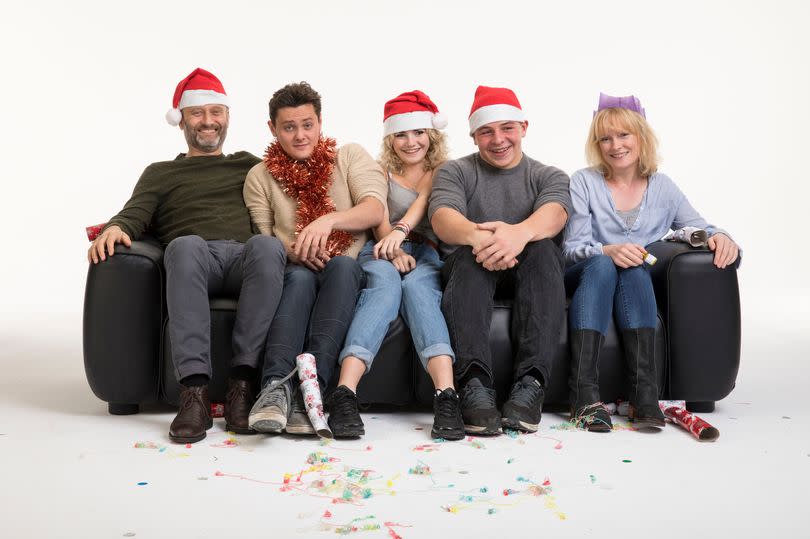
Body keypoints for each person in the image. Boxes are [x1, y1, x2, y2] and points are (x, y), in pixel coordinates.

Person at [87, 68, 287, 443]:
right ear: (181, 120)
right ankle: (193, 394)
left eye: (216, 112)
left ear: (227, 117)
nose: (208, 122)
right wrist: (116, 228)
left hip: (247, 259)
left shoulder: (251, 165)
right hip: (196, 261)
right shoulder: (160, 173)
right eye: (198, 113)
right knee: (185, 244)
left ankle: (242, 387)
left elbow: (297, 187)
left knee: (268, 245)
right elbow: (134, 213)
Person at [563, 93, 740, 432]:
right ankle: (583, 394)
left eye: (624, 135)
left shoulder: (663, 187)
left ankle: (644, 393)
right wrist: (608, 251)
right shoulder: (584, 181)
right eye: (605, 138)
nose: (616, 145)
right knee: (607, 265)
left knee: (635, 265)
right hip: (586, 274)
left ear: (641, 137)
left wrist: (721, 237)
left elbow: (703, 226)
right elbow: (571, 249)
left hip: (634, 283)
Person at [243, 82, 387, 435]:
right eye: (289, 127)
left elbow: (373, 208)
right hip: (296, 269)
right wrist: (297, 251)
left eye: (307, 125)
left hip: (346, 267)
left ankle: (314, 390)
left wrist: (329, 220)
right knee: (300, 277)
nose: (300, 135)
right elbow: (263, 238)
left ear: (320, 122)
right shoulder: (259, 176)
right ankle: (275, 387)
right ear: (273, 129)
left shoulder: (349, 155)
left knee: (342, 265)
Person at [429, 86, 571, 435]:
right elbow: (443, 217)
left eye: (507, 128)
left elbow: (555, 214)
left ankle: (531, 384)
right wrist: (482, 240)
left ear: (524, 128)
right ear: (474, 136)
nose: (498, 139)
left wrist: (518, 234)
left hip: (533, 267)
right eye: (486, 131)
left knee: (543, 248)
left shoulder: (549, 175)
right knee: (467, 256)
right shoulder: (455, 171)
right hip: (471, 267)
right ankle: (474, 385)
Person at [329, 90, 464, 440]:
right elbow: (378, 216)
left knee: (419, 289)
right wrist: (392, 245)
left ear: (431, 134)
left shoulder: (443, 170)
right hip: (381, 248)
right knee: (384, 287)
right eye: (401, 134)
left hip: (427, 251)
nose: (411, 141)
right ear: (391, 138)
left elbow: (422, 203)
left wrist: (402, 236)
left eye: (418, 132)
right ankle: (345, 392)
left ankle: (446, 395)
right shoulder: (381, 170)